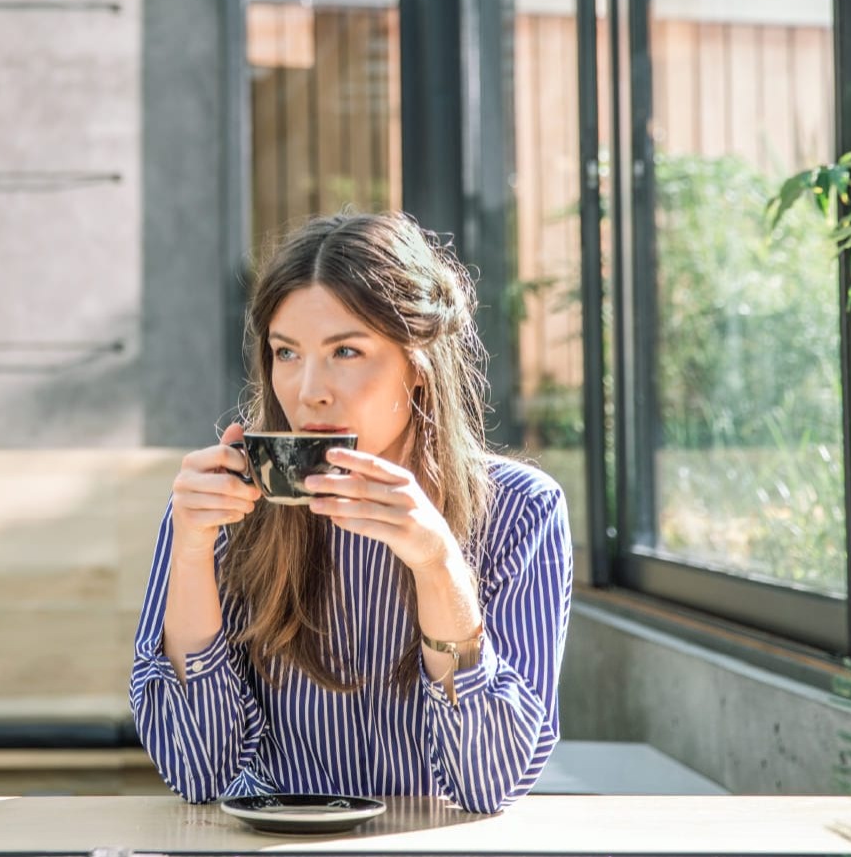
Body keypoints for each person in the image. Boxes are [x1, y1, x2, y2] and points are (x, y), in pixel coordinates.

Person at [129, 212, 572, 815]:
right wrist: (190, 549)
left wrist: (438, 563)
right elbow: (199, 771)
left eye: (346, 351)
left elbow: (487, 784)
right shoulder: (225, 503)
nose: (310, 389)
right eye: (286, 353)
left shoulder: (522, 508)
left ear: (417, 366)